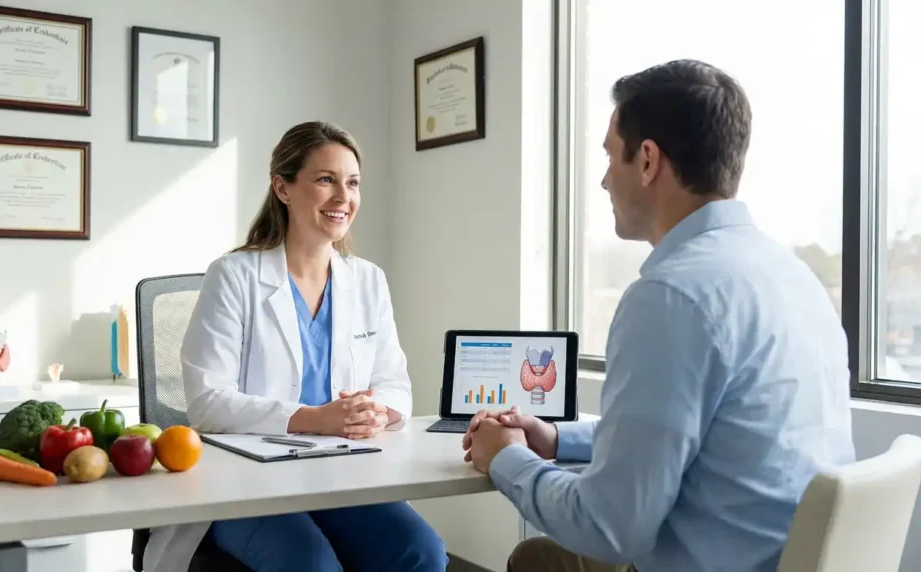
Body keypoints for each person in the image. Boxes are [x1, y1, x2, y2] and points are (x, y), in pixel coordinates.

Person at [462, 59, 856, 572]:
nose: (604, 181)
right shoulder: (793, 275)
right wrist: (558, 439)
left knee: (537, 561)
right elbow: (692, 435)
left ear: (647, 160)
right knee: (540, 558)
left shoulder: (672, 295)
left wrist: (507, 458)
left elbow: (608, 528)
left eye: (610, 157)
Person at [142, 121, 447, 572]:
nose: (344, 197)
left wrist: (378, 411)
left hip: (340, 475)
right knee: (310, 563)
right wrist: (314, 419)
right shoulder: (234, 276)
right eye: (326, 180)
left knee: (420, 552)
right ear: (283, 189)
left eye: (353, 183)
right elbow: (206, 402)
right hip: (246, 484)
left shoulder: (367, 280)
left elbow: (394, 384)